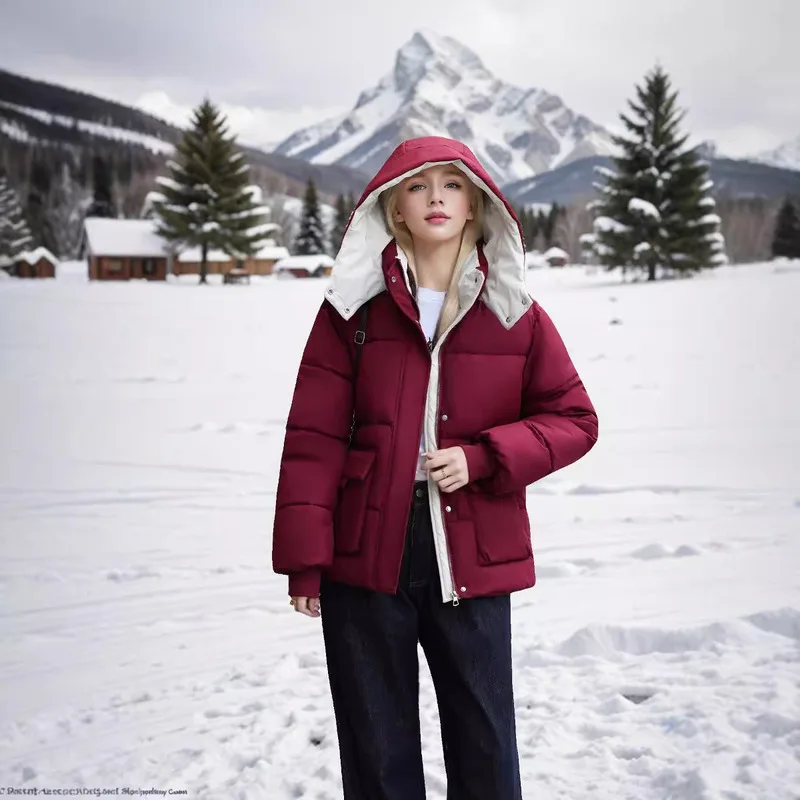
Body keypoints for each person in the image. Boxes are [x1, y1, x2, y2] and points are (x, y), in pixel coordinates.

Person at [272, 136, 598, 799]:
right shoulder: (350, 312)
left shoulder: (517, 315)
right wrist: (305, 561)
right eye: (419, 187)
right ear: (395, 210)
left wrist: (485, 458)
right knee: (376, 750)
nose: (436, 199)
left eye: (452, 186)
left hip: (472, 550)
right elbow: (314, 439)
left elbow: (575, 420)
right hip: (363, 554)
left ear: (477, 207)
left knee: (485, 747)